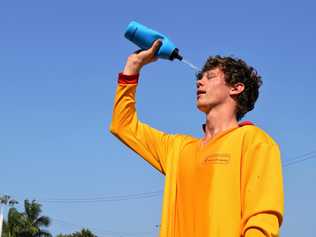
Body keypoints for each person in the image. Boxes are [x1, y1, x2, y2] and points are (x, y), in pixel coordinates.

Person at [110, 40, 284, 237]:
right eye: (200, 77)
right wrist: (133, 66)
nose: (199, 81)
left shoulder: (255, 141)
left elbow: (261, 219)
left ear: (236, 88)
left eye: (210, 77)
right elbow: (122, 125)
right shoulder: (177, 148)